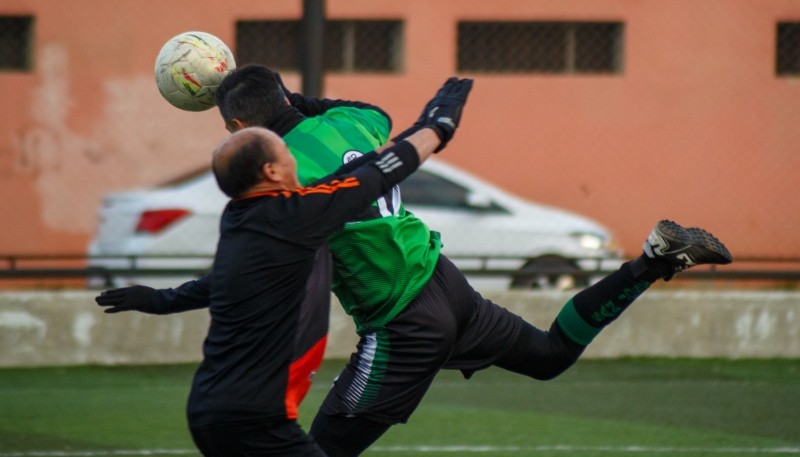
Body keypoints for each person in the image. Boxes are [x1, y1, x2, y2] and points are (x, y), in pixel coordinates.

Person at [97, 68, 733, 457]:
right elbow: (361, 117)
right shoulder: (358, 122)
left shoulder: (283, 178)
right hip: (443, 281)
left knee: (314, 453)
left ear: (239, 126)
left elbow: (252, 263)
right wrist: (283, 98)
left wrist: (163, 296)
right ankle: (653, 260)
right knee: (548, 357)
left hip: (400, 324)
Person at [118, 78, 470, 456]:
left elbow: (351, 178)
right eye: (283, 150)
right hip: (254, 420)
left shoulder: (248, 221)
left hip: (213, 409)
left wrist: (163, 300)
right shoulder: (298, 217)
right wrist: (437, 126)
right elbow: (373, 175)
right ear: (270, 170)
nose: (293, 152)